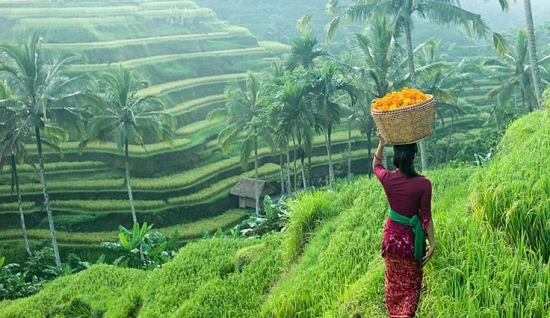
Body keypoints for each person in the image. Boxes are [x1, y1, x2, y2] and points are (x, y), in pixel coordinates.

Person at [372, 133, 436, 318]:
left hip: (391, 241)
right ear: (414, 155)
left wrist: (381, 143)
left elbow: (376, 166)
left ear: (396, 157)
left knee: (393, 285)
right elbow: (426, 217)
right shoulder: (424, 184)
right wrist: (432, 243)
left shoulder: (388, 179)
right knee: (411, 287)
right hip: (410, 245)